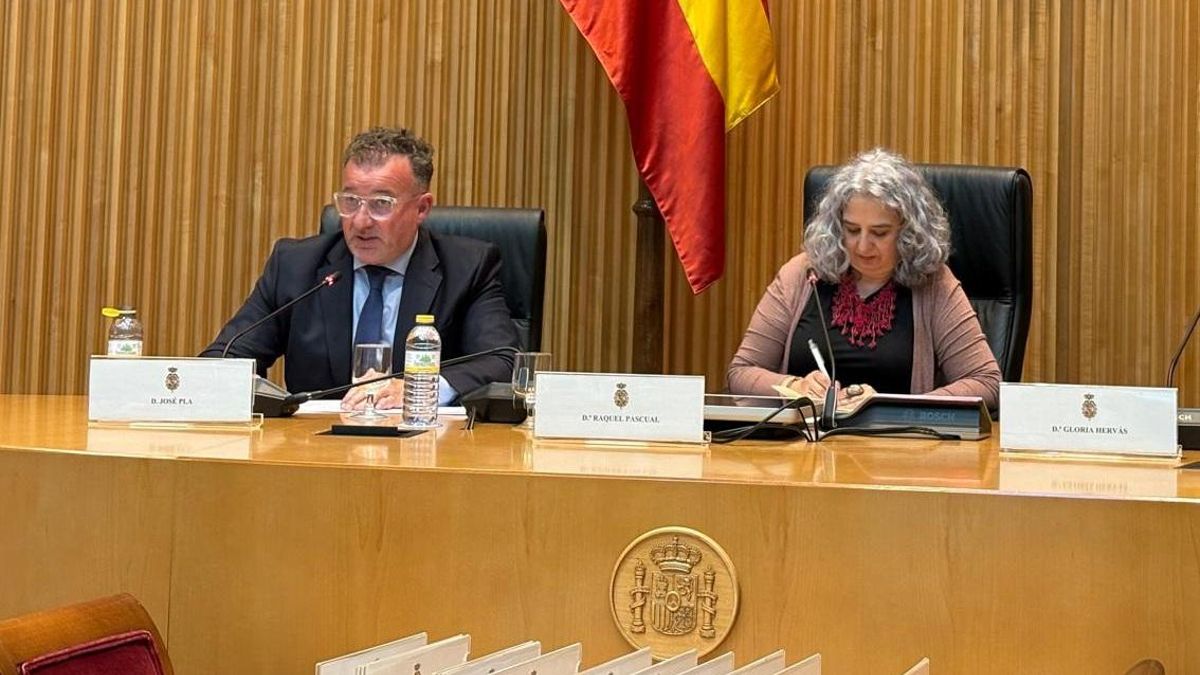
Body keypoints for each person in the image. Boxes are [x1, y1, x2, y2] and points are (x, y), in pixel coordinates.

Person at [203, 127, 517, 407]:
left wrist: (418, 389)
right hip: (312, 454)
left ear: (422, 208)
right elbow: (226, 356)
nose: (361, 221)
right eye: (350, 201)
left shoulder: (468, 268)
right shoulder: (295, 266)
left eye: (382, 203)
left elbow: (501, 360)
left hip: (425, 450)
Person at [726, 148, 1001, 408]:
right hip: (803, 450)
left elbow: (987, 383)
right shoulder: (803, 275)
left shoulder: (934, 284)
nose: (862, 246)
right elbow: (741, 372)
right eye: (852, 230)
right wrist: (793, 386)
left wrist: (891, 407)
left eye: (879, 233)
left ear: (909, 232)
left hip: (895, 450)